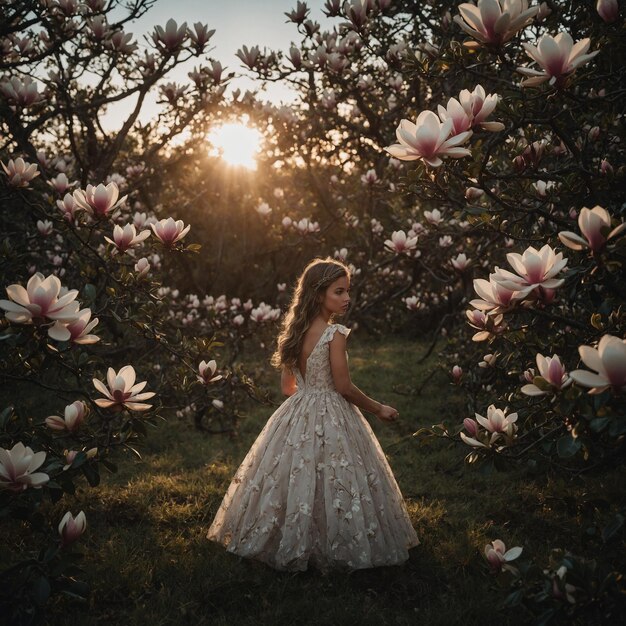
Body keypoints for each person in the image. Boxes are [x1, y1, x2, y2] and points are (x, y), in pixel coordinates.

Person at [207, 257, 419, 571]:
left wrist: (306, 408)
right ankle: (331, 542)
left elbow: (287, 387)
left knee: (294, 476)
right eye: (339, 291)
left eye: (347, 291)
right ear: (319, 294)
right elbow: (344, 387)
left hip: (298, 408)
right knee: (337, 476)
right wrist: (379, 409)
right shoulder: (335, 335)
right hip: (331, 408)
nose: (347, 298)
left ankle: (286, 538)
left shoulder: (295, 332)